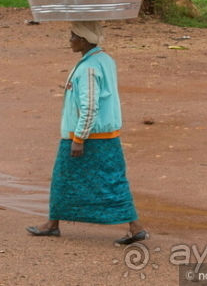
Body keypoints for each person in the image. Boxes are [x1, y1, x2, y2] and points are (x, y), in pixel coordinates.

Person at [27, 21, 148, 245]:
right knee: (111, 180)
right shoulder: (105, 60)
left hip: (88, 137)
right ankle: (133, 227)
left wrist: (79, 138)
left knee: (65, 179)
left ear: (83, 40)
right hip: (105, 136)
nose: (70, 40)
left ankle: (54, 224)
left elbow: (90, 106)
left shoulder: (88, 68)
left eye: (73, 36)